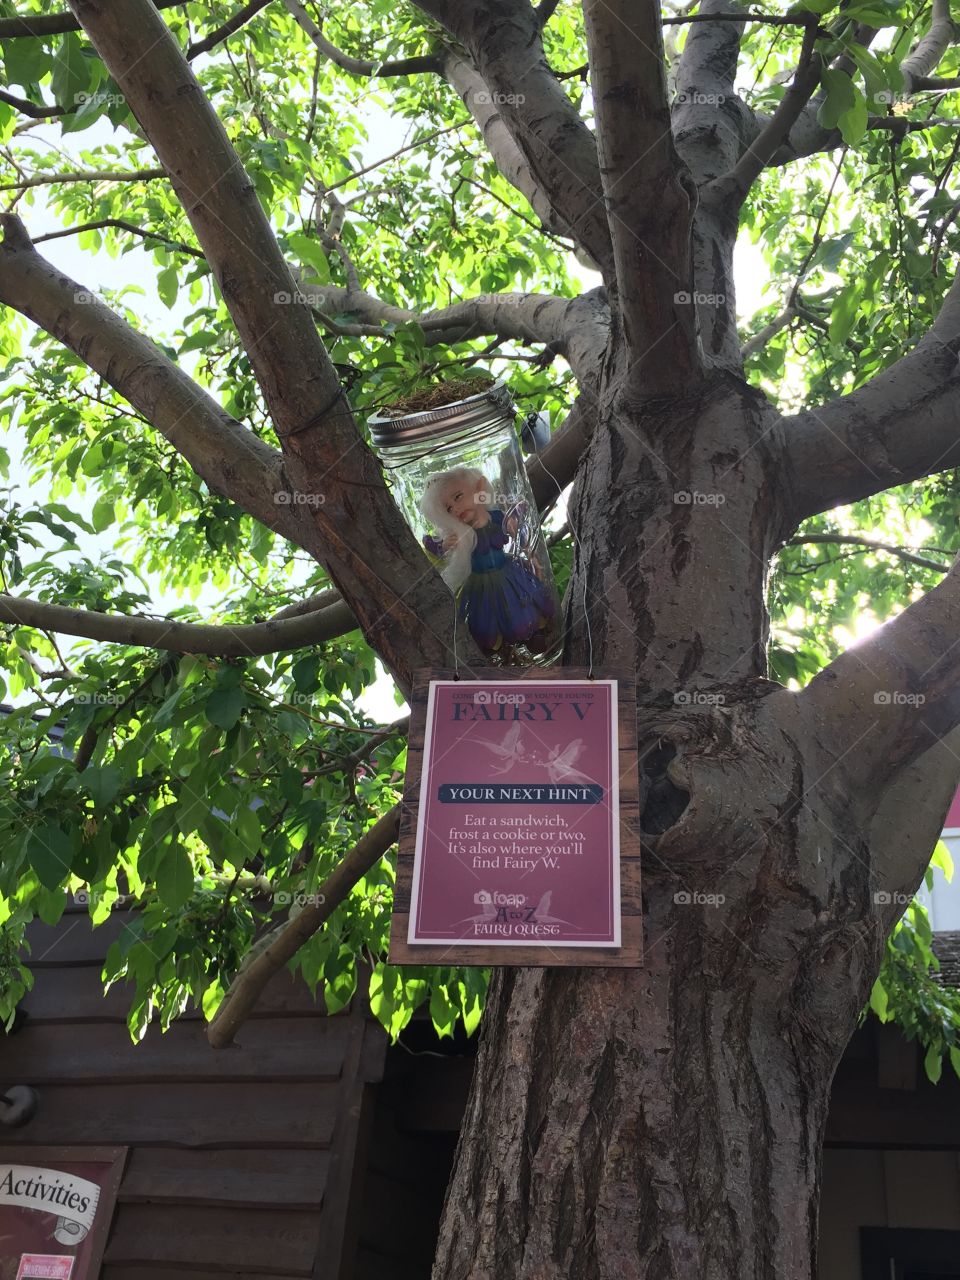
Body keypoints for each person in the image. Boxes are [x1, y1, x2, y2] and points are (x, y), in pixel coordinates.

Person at [420, 465, 556, 655]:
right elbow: (435, 547)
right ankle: (498, 649)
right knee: (487, 617)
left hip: (509, 575)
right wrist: (444, 546)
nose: (456, 508)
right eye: (448, 508)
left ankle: (532, 635)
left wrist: (532, 557)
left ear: (480, 488)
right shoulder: (461, 535)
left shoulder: (498, 518)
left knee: (522, 604)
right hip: (480, 584)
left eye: (458, 497)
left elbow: (521, 536)